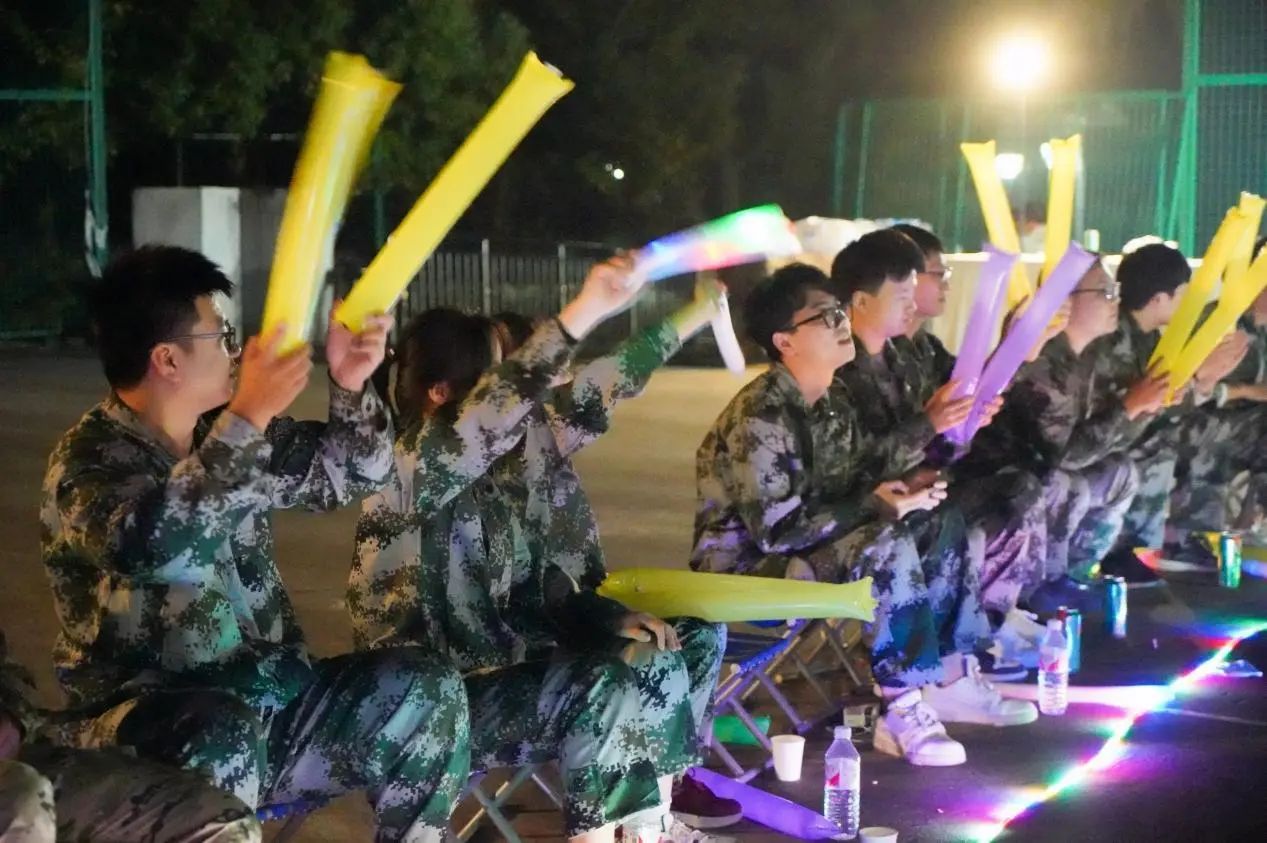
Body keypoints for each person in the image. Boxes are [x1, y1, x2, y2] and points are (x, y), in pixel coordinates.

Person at [41, 245, 468, 843]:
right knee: (221, 730)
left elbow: (358, 472)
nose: (237, 352)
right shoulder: (90, 462)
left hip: (265, 701)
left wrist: (350, 382)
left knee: (424, 687)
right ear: (167, 359)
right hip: (146, 732)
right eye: (222, 336)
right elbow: (155, 549)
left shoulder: (220, 432)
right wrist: (247, 416)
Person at [349, 261, 731, 842]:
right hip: (430, 705)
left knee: (665, 645)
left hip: (506, 670)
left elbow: (533, 592)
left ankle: (650, 823)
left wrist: (608, 618)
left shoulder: (494, 472)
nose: (516, 400)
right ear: (440, 395)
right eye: (495, 382)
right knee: (600, 684)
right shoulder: (405, 471)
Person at [692, 263, 1035, 769]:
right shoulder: (760, 416)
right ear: (785, 341)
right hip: (746, 577)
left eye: (839, 312)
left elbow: (869, 468)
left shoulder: (831, 399)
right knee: (884, 541)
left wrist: (925, 458)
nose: (841, 323)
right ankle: (902, 706)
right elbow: (777, 532)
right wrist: (878, 503)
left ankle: (948, 676)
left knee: (936, 519)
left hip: (810, 553)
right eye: (825, 316)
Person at [832, 229, 1044, 673]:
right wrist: (931, 426)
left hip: (915, 496)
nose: (913, 301)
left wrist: (960, 428)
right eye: (903, 292)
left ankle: (975, 641)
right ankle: (939, 670)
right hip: (867, 514)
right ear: (862, 300)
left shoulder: (902, 359)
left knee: (1015, 489)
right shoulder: (838, 371)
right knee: (940, 524)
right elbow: (855, 464)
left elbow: (934, 452)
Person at [963, 259, 1151, 613]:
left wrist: (1142, 408)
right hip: (1003, 479)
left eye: (1115, 292)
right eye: (1105, 292)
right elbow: (1064, 456)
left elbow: (1102, 440)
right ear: (1066, 300)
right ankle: (1032, 596)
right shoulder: (1043, 361)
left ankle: (1074, 575)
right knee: (1066, 484)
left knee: (1120, 470)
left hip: (1043, 476)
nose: (1115, 301)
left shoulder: (1086, 357)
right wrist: (1130, 408)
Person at [0, 630, 262, 843]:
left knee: (227, 827)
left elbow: (6, 666)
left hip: (24, 759)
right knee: (24, 796)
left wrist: (14, 717)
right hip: (20, 790)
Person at [1088, 243, 1249, 584]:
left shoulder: (1147, 339)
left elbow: (1165, 402)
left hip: (1127, 430)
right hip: (1106, 437)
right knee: (1160, 442)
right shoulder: (1116, 340)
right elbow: (1140, 410)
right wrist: (1200, 377)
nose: (1187, 305)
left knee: (1205, 431)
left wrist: (1203, 382)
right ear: (1159, 299)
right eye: (1182, 295)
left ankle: (1180, 539)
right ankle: (1122, 549)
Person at [1167, 236, 1267, 551]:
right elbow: (1186, 388)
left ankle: (1251, 522)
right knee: (1214, 432)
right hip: (1191, 420)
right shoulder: (1217, 324)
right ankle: (1188, 537)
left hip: (1244, 424)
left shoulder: (1262, 329)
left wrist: (1240, 392)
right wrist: (1238, 391)